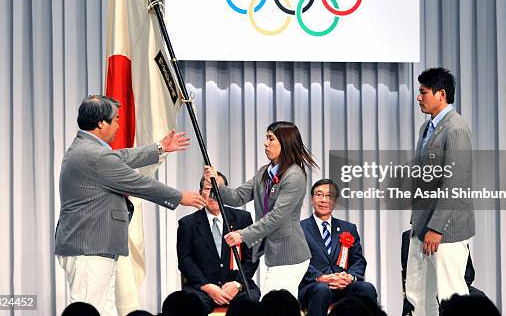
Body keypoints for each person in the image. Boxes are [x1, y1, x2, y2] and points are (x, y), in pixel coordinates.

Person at [54, 95, 207, 316]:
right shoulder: (94, 155)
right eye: (115, 119)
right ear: (101, 123)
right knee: (90, 309)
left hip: (93, 246)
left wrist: (159, 148)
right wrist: (179, 196)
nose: (118, 125)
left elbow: (121, 157)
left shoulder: (87, 148)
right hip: (89, 246)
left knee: (104, 310)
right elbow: (138, 183)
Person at [204, 121, 317, 298]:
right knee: (279, 307)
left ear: (285, 142)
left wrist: (242, 235)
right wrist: (216, 185)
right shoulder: (265, 172)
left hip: (290, 255)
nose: (265, 143)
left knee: (272, 306)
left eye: (271, 138)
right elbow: (237, 196)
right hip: (273, 253)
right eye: (266, 138)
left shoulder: (294, 176)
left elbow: (276, 217)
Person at [405, 68, 475, 316]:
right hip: (422, 228)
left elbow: (454, 185)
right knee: (419, 296)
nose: (418, 97)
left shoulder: (456, 128)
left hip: (445, 231)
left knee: (452, 296)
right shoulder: (426, 128)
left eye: (423, 92)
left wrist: (436, 228)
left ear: (441, 94)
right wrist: (419, 225)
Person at [177, 172, 260, 313]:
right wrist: (206, 286)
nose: (214, 193)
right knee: (189, 306)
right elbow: (185, 261)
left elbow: (252, 256)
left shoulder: (242, 219)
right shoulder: (188, 223)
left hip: (238, 287)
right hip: (202, 290)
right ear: (201, 193)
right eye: (208, 189)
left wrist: (237, 284)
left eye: (218, 188)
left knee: (250, 302)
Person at [299, 179, 378, 316]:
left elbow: (358, 260)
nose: (324, 200)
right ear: (312, 200)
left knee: (367, 288)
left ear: (335, 202)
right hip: (314, 286)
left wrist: (350, 277)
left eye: (329, 196)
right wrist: (321, 277)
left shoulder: (348, 228)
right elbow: (298, 261)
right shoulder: (299, 228)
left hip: (344, 286)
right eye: (319, 194)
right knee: (322, 290)